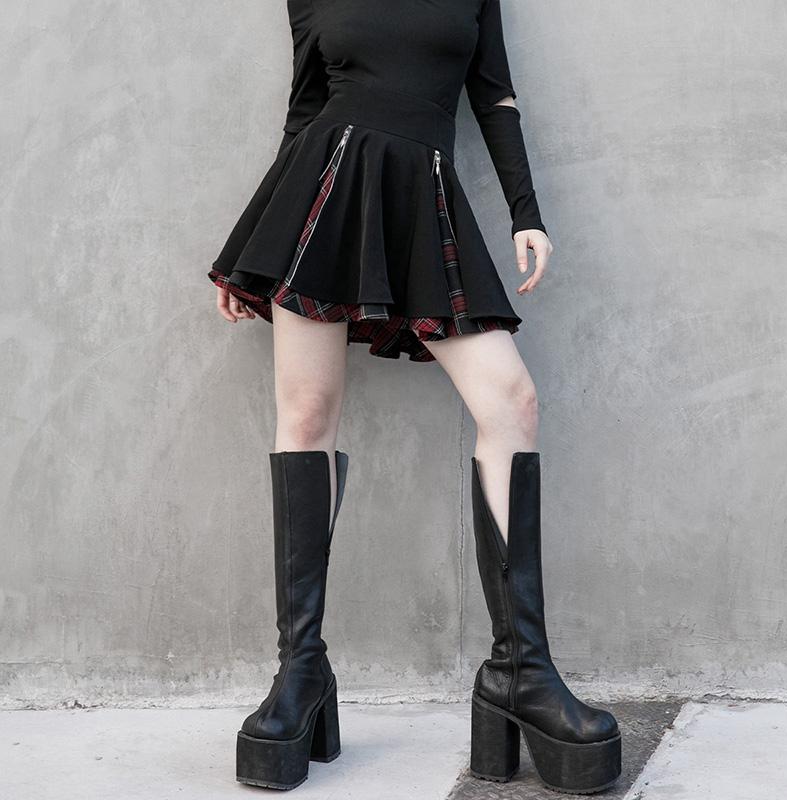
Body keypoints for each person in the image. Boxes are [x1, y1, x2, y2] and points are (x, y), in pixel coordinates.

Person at [208, 0, 621, 793]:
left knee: (511, 403)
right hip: (321, 190)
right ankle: (300, 673)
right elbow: (303, 107)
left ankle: (519, 672)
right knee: (306, 415)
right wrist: (254, 243)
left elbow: (494, 95)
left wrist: (526, 213)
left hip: (425, 194)